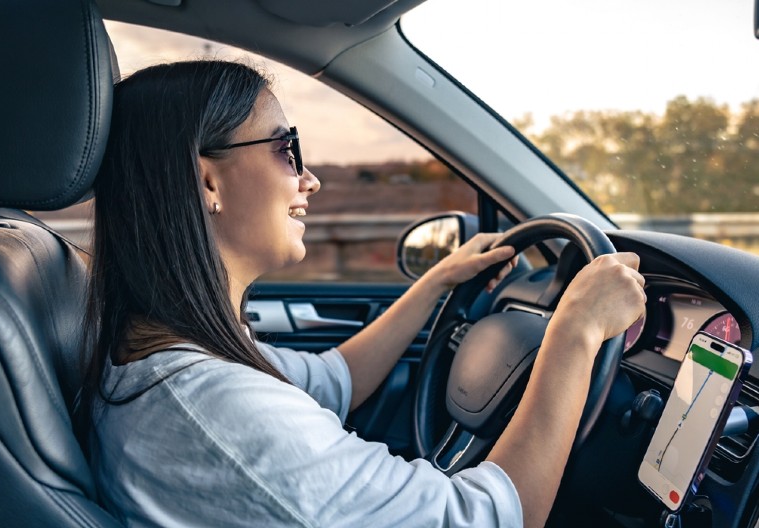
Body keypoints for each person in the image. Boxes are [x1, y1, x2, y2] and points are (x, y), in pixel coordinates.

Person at [82, 60, 646, 528]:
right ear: (208, 180)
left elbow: (333, 380)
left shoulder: (182, 358)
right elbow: (490, 518)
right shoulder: (219, 409)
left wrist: (436, 282)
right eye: (286, 149)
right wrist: (574, 332)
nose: (310, 180)